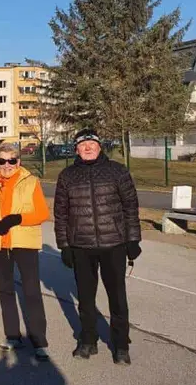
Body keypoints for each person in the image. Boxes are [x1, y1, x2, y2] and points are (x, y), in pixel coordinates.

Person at [54, 129, 141, 365]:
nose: (88, 147)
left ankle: (121, 345)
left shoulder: (117, 171)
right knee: (85, 298)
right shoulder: (67, 176)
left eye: (92, 143)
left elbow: (130, 207)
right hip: (81, 246)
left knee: (117, 297)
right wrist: (64, 245)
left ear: (100, 146)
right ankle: (88, 340)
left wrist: (133, 240)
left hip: (114, 244)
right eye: (83, 145)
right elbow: (60, 214)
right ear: (76, 150)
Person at [0, 142, 50, 360]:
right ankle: (12, 335)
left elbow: (42, 213)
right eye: (2, 161)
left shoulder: (30, 181)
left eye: (11, 160)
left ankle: (38, 340)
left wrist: (18, 218)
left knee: (31, 291)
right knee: (6, 290)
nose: (7, 165)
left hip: (24, 242)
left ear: (18, 161)